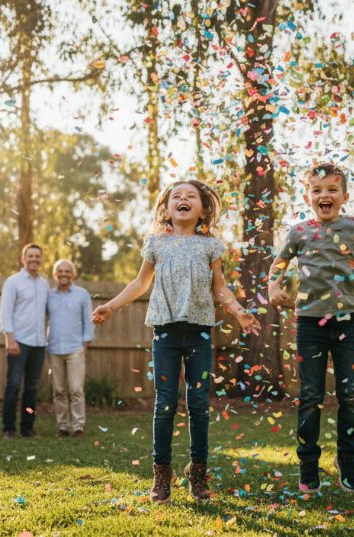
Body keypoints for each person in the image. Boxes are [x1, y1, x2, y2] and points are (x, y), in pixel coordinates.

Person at [92, 180, 260, 504]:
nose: (183, 199)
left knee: (199, 405)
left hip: (199, 332)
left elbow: (220, 287)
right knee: (165, 404)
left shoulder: (210, 245)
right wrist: (111, 306)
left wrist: (238, 311)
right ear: (167, 207)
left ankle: (198, 473)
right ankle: (162, 474)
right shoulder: (156, 242)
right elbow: (141, 282)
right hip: (165, 333)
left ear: (202, 208)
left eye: (191, 196)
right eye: (176, 196)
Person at [267, 163, 354, 494]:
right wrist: (273, 286)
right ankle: (308, 464)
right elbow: (279, 264)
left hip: (348, 324)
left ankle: (347, 460)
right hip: (308, 324)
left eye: (331, 189)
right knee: (310, 396)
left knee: (350, 395)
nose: (324, 195)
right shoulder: (298, 232)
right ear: (308, 197)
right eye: (317, 190)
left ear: (344, 196)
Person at [0, 243, 50, 439]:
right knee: (13, 387)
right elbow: (5, 312)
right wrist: (10, 339)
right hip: (18, 342)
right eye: (30, 256)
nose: (34, 259)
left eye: (38, 256)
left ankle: (27, 427)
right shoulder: (13, 282)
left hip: (39, 344)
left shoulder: (44, 284)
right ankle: (9, 428)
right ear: (23, 259)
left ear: (41, 260)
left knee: (32, 388)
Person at [46, 259, 94, 438]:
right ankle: (63, 426)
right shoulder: (49, 295)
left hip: (75, 349)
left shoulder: (82, 294)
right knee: (59, 391)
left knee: (76, 390)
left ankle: (78, 426)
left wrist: (85, 344)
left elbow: (89, 321)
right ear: (55, 274)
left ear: (72, 274)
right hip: (53, 349)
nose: (63, 274)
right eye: (60, 271)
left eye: (67, 271)